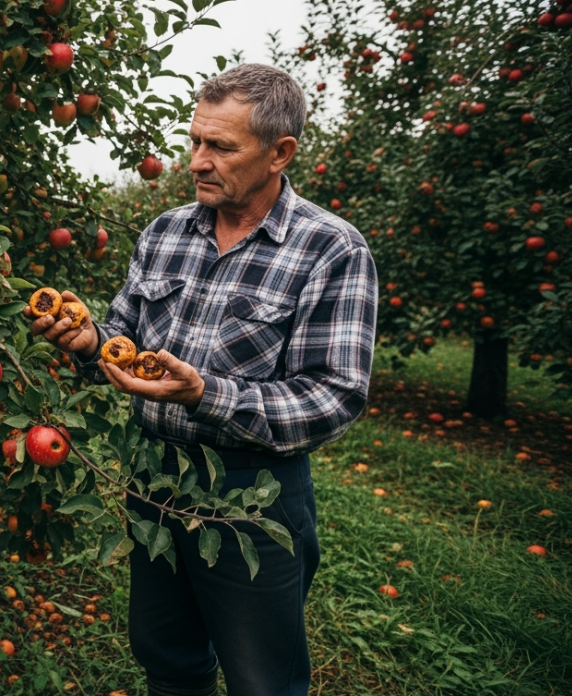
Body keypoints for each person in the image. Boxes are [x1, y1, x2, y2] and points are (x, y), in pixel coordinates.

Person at [26, 63, 378, 696]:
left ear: (280, 153)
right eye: (194, 141)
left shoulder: (331, 249)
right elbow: (121, 338)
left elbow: (335, 395)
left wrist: (207, 393)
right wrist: (88, 342)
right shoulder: (165, 234)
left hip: (253, 493)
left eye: (220, 146)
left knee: (261, 678)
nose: (197, 160)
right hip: (154, 477)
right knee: (167, 656)